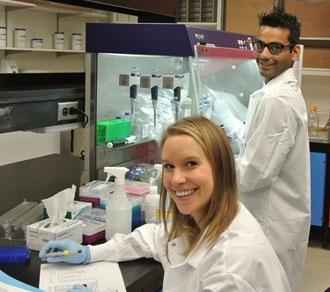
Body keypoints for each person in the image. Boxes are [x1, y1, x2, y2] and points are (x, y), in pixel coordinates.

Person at [39, 116, 291, 292]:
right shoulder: (208, 216)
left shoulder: (232, 265)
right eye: (169, 166)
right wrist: (89, 253)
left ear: (221, 168)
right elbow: (157, 237)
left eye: (191, 163)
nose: (176, 178)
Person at [210, 9, 311, 292]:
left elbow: (254, 175)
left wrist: (212, 161)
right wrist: (228, 124)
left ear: (295, 52)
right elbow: (258, 141)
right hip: (273, 218)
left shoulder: (276, 100)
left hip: (269, 222)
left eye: (276, 47)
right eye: (260, 45)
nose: (264, 54)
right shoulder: (273, 92)